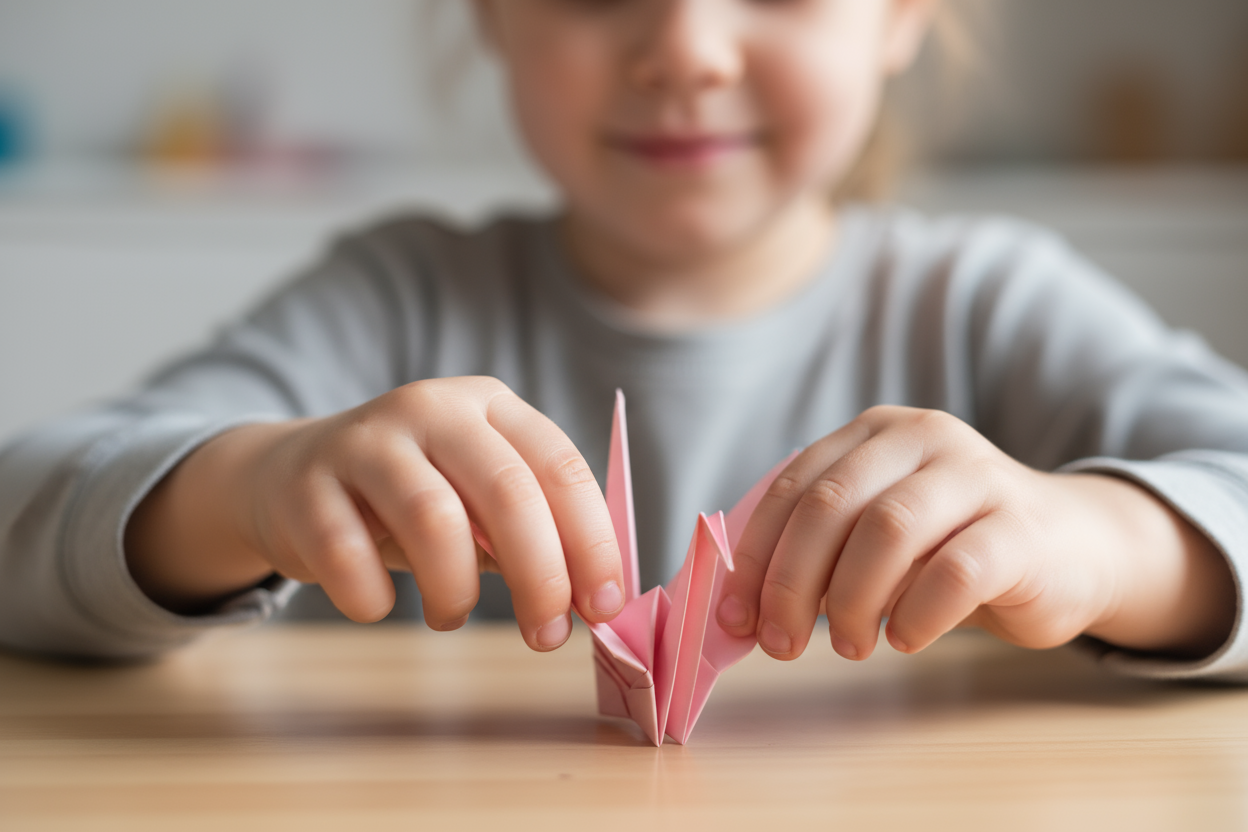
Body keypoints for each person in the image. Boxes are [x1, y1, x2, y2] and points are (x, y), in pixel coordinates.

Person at [2, 0, 1246, 682]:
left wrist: (1097, 541)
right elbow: (26, 515)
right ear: (489, 15)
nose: (685, 49)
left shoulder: (989, 302)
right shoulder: (395, 299)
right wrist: (251, 487)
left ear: (903, 13)